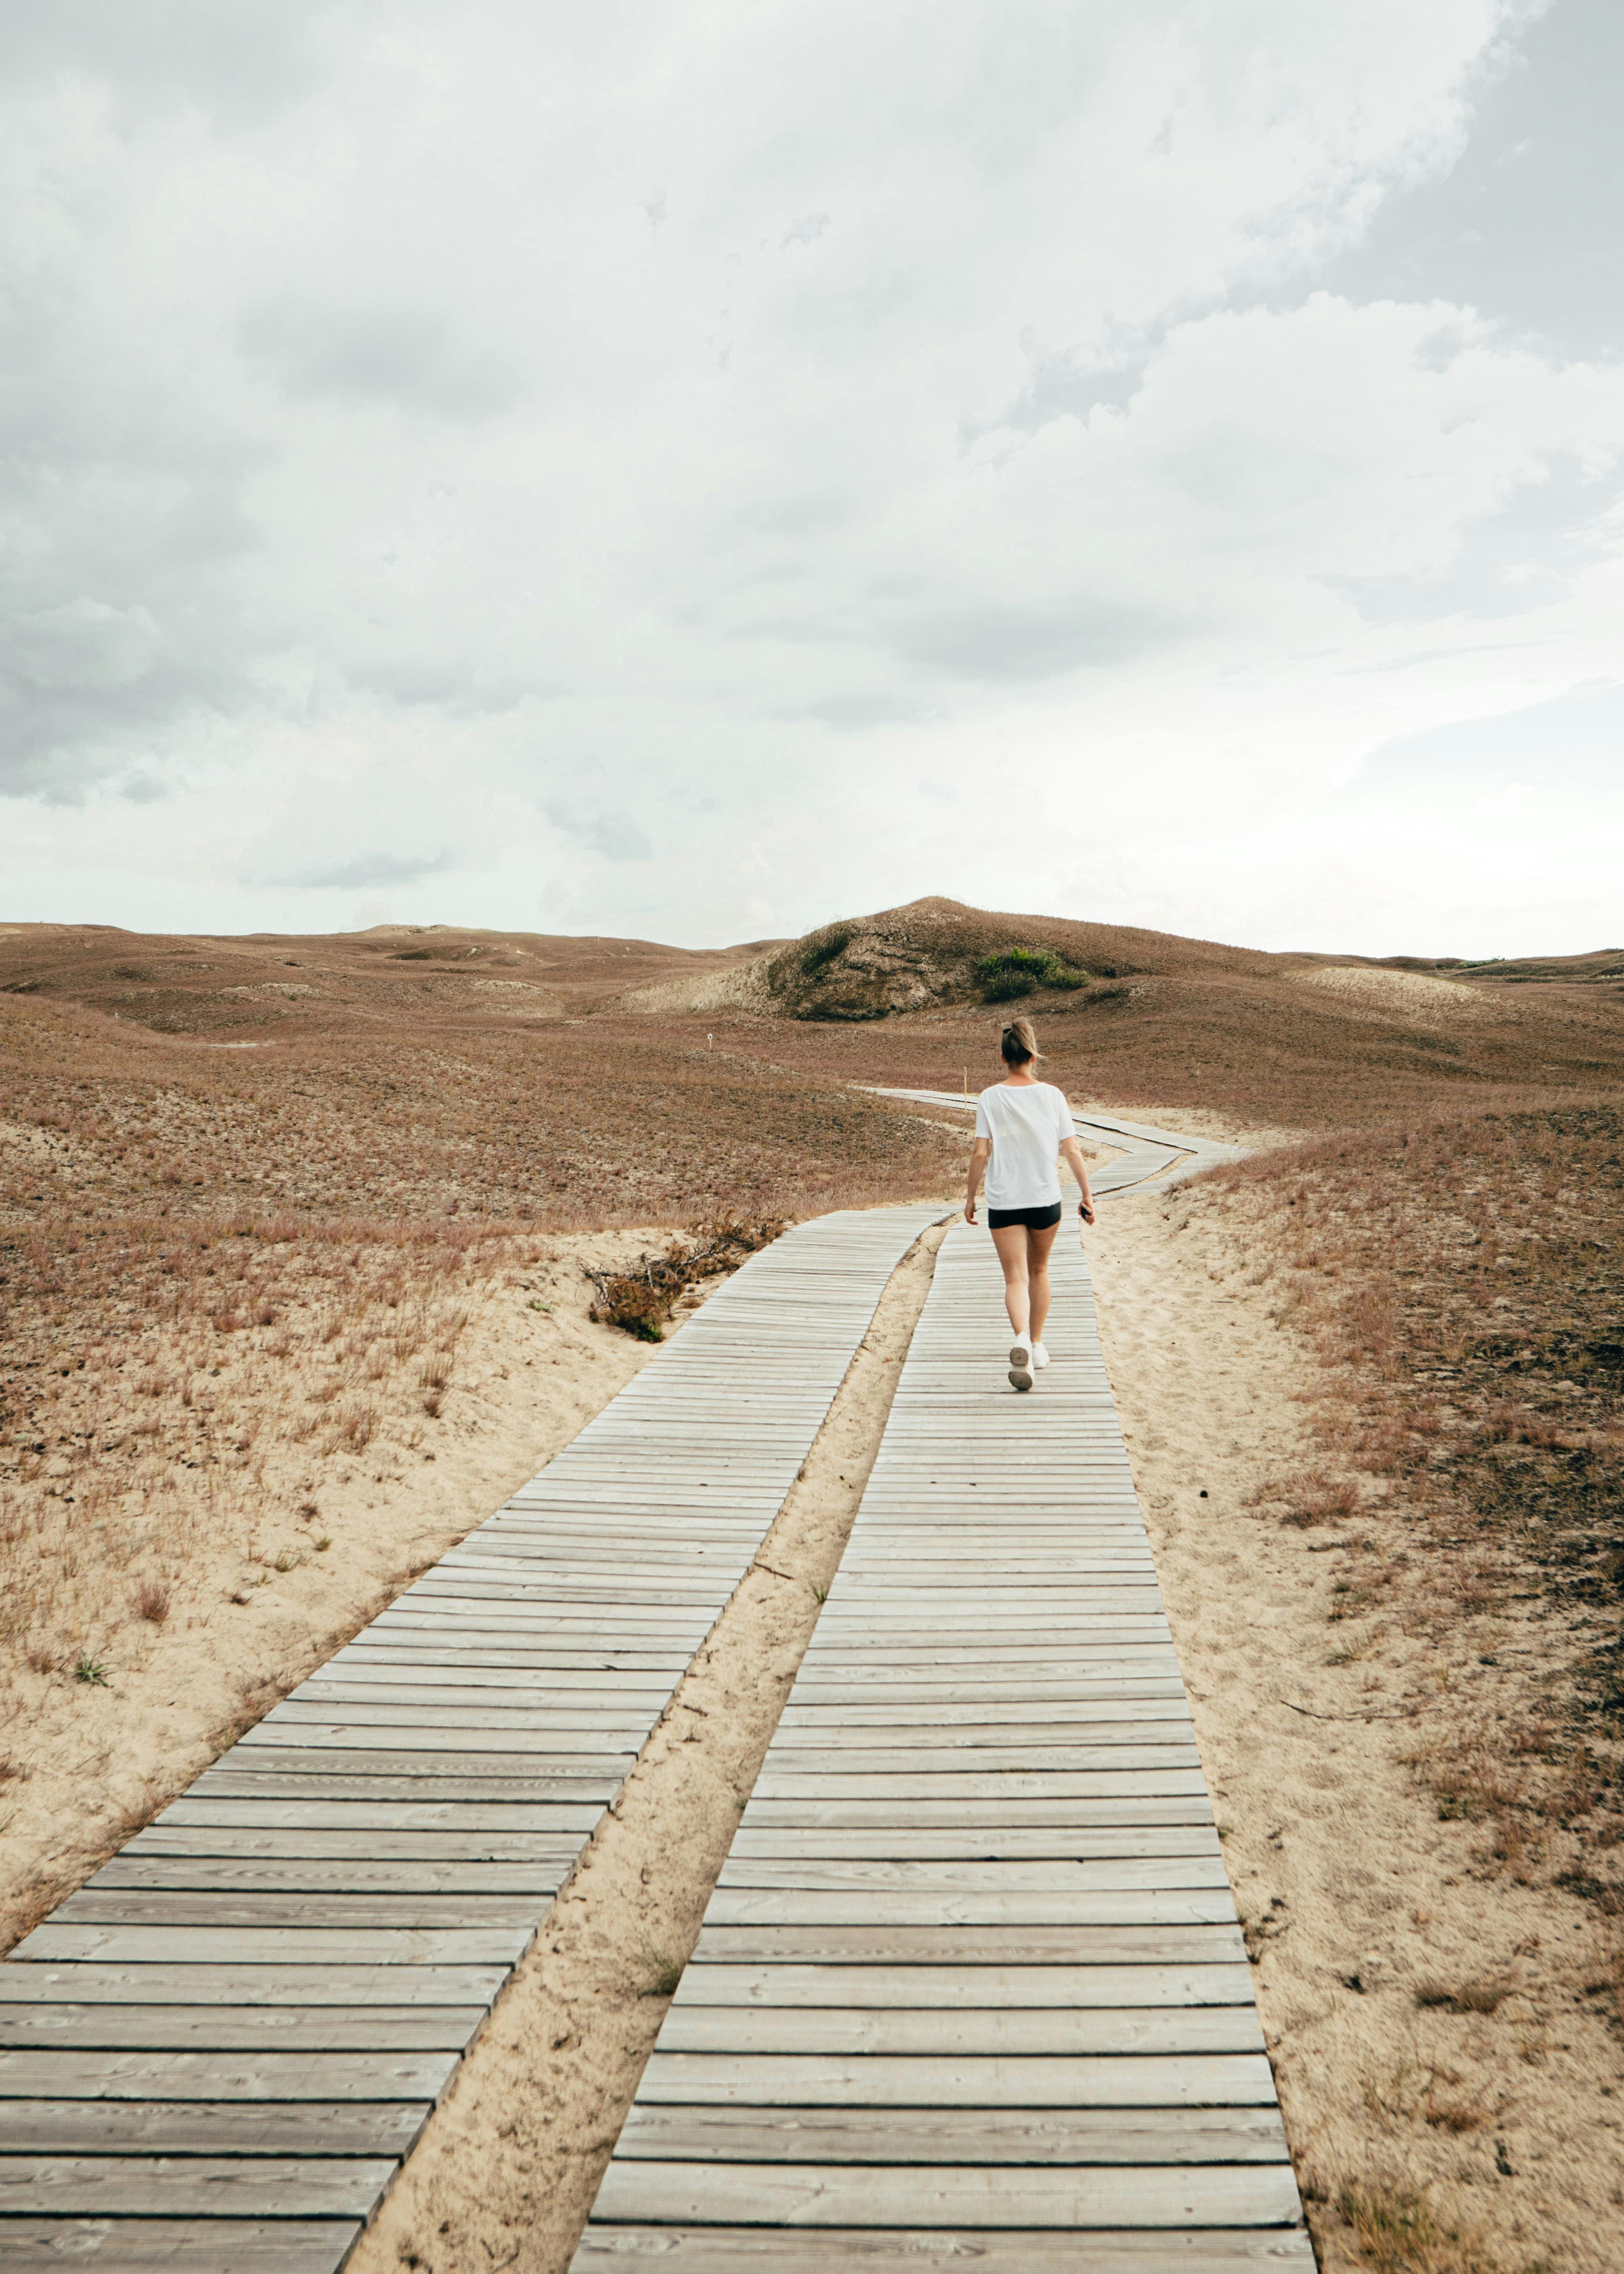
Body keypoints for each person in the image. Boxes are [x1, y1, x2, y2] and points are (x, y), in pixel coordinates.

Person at [964, 1018, 1095, 1391]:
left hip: (1004, 1199)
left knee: (1015, 1278)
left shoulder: (990, 1097)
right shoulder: (1053, 1095)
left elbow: (980, 1153)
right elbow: (1071, 1149)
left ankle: (1021, 1336)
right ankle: (1036, 1346)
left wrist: (970, 1197)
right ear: (1033, 1056)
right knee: (1039, 1270)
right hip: (1044, 1198)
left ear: (1002, 1057)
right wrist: (1086, 1194)